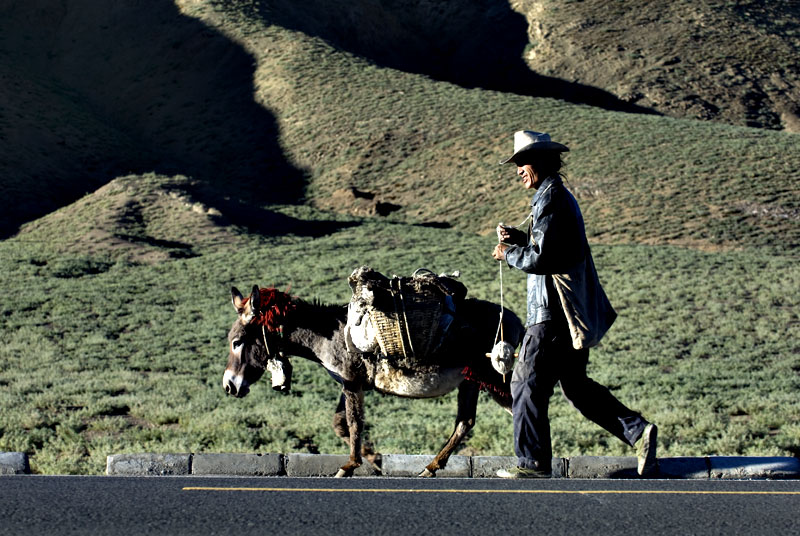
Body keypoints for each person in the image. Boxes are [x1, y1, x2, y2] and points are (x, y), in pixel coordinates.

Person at [491, 130, 657, 478]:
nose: (518, 169)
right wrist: (521, 240)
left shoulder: (550, 199)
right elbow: (554, 249)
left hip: (551, 314)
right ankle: (638, 432)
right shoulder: (556, 197)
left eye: (523, 162)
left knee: (524, 383)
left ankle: (532, 464)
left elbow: (543, 258)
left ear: (542, 161)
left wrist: (509, 253)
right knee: (576, 387)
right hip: (569, 313)